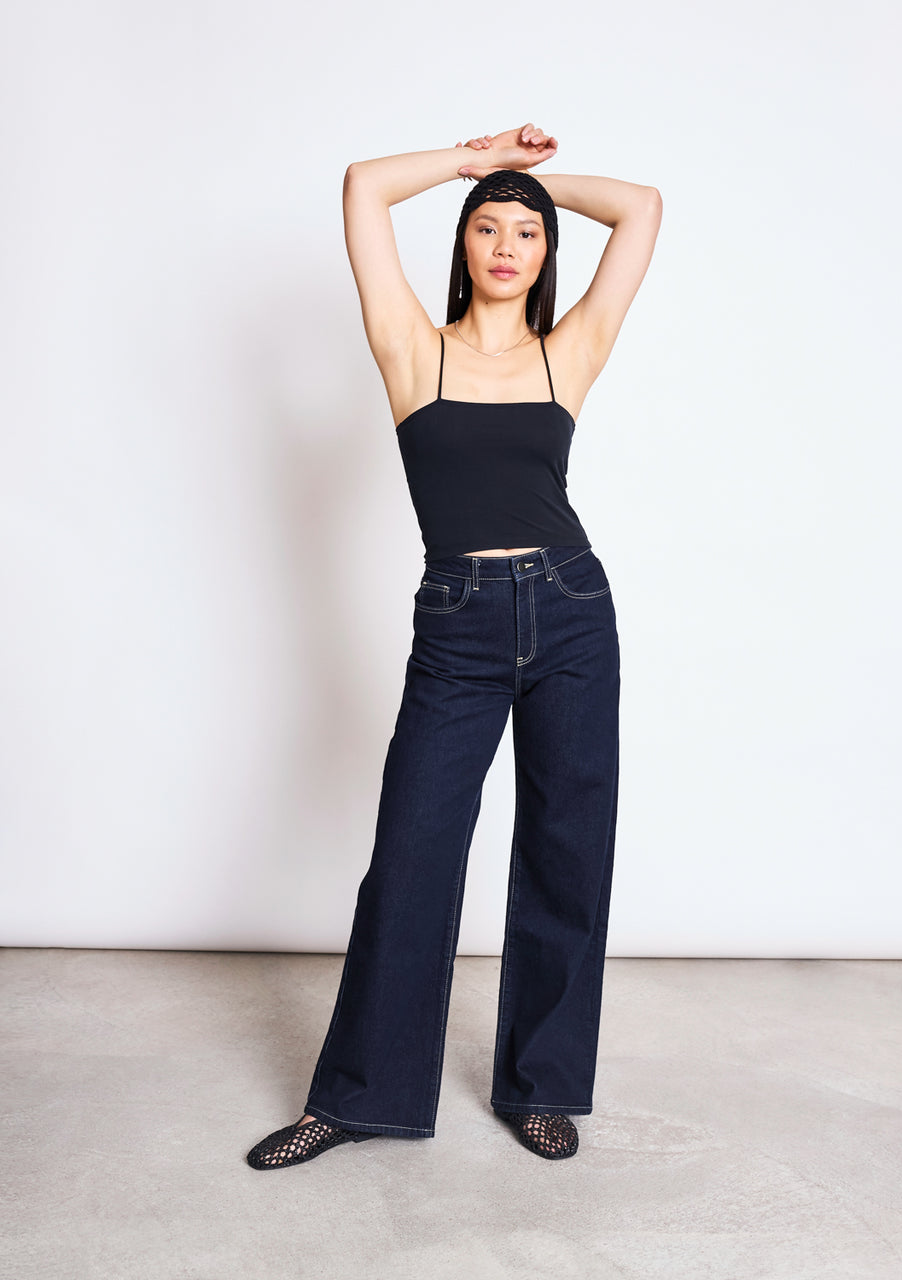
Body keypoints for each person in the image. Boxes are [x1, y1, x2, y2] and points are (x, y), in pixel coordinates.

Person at [246, 123, 661, 1167]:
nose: (509, 241)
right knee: (411, 854)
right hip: (458, 623)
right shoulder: (409, 345)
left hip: (571, 609)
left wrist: (533, 183)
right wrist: (477, 162)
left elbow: (644, 205)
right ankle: (358, 1095)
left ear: (546, 247)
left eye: (528, 230)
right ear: (463, 241)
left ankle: (541, 1083)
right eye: (490, 225)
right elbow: (362, 184)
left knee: (569, 843)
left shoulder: (567, 351)